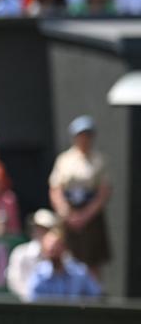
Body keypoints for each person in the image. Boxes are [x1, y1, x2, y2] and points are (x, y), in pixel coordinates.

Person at [48, 115, 111, 276]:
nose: (84, 139)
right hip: (69, 216)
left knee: (92, 262)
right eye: (81, 135)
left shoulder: (99, 160)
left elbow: (104, 192)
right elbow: (55, 189)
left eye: (88, 135)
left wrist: (85, 215)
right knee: (66, 256)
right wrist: (67, 213)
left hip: (90, 217)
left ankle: (93, 297)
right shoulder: (64, 160)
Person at [27, 230, 101, 302]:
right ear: (44, 251)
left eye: (57, 247)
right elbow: (34, 301)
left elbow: (95, 297)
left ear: (64, 247)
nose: (54, 251)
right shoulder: (39, 275)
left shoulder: (79, 272)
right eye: (51, 250)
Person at [7, 208, 60, 301]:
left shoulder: (59, 255)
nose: (40, 232)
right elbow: (14, 281)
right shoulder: (20, 253)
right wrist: (32, 297)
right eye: (38, 228)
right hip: (24, 305)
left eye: (45, 229)